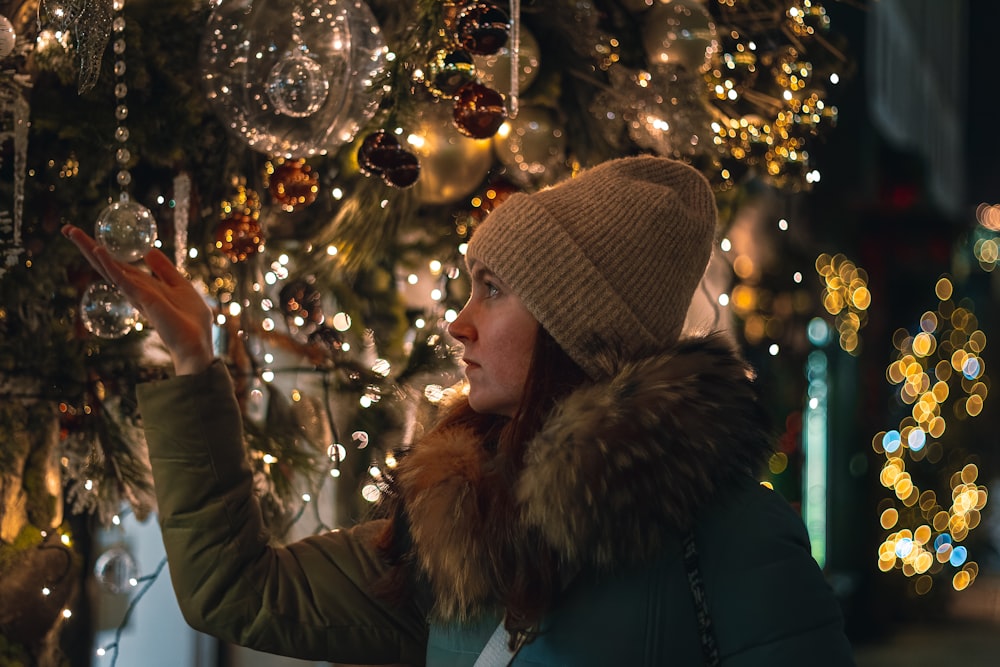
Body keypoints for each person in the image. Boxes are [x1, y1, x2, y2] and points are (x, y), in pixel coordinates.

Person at [63, 155, 856, 666]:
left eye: (496, 288)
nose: (458, 319)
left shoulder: (733, 537)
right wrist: (197, 364)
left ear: (576, 324)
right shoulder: (460, 525)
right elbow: (238, 589)